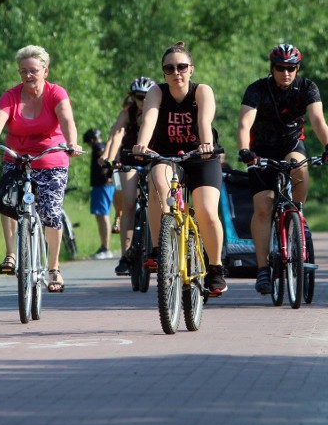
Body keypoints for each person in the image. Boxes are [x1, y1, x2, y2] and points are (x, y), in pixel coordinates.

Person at [0, 45, 82, 293]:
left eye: (33, 70)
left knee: (51, 213)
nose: (28, 75)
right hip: (17, 159)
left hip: (50, 160)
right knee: (5, 199)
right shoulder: (11, 96)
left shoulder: (56, 93)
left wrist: (72, 143)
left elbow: (67, 120)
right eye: (23, 71)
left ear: (45, 71)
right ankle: (11, 253)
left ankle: (54, 267)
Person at [236, 43, 328, 295]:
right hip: (259, 152)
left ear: (297, 68)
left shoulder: (307, 88)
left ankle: (298, 215)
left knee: (298, 166)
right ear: (272, 68)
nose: (286, 73)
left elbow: (317, 120)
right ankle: (262, 270)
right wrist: (244, 150)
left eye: (291, 68)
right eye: (280, 68)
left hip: (291, 145)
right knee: (263, 207)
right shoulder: (257, 89)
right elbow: (244, 122)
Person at [132, 42, 227, 296]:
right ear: (163, 72)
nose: (176, 72)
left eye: (182, 67)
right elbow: (149, 118)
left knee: (207, 210)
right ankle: (160, 248)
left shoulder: (201, 91)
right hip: (168, 156)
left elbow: (204, 121)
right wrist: (142, 144)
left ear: (191, 69)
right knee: (157, 182)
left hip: (201, 157)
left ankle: (216, 268)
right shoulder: (157, 92)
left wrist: (206, 144)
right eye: (169, 68)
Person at [101, 76, 158, 275]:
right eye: (137, 97)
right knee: (129, 203)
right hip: (130, 159)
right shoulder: (129, 112)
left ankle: (160, 247)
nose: (141, 100)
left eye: (145, 96)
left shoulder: (158, 110)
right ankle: (126, 256)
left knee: (158, 200)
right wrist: (108, 158)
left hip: (153, 158)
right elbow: (116, 133)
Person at [84, 127, 115, 260]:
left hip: (102, 185)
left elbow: (103, 157)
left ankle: (105, 248)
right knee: (101, 215)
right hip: (104, 185)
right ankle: (104, 246)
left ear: (91, 140)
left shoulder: (98, 147)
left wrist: (106, 173)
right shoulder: (103, 145)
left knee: (103, 215)